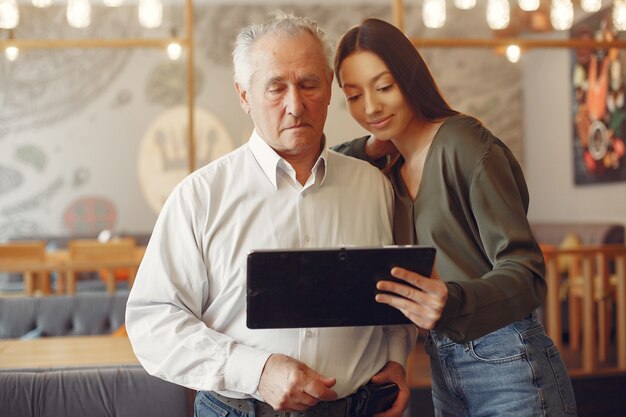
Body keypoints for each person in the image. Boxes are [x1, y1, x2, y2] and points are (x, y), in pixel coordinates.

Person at [125, 12, 416, 417]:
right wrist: (257, 371)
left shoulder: (373, 187)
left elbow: (393, 295)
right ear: (244, 95)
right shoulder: (200, 196)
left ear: (329, 88)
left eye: (309, 84)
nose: (295, 105)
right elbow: (152, 324)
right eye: (276, 88)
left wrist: (398, 360)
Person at [332, 18, 577, 417]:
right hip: (443, 365)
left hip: (508, 360)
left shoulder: (464, 144)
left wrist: (453, 299)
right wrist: (372, 144)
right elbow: (326, 164)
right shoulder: (389, 166)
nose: (371, 107)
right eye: (354, 95)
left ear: (411, 78)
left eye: (384, 87)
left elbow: (528, 273)